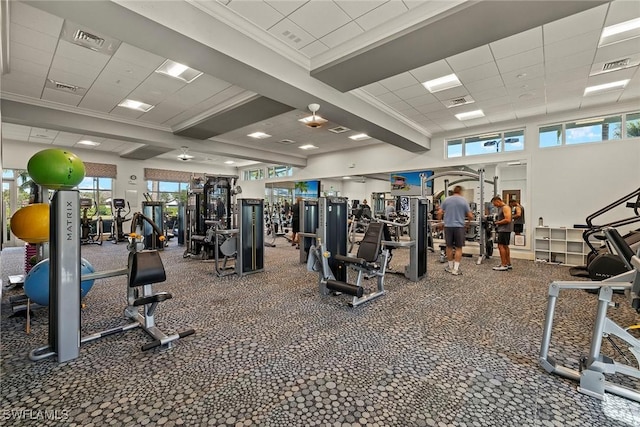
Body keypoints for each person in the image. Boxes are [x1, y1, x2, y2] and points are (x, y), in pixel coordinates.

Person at [437, 185, 473, 275]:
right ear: (460, 192)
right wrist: (467, 224)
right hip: (459, 227)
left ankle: (450, 267)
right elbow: (471, 216)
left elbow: (439, 212)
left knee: (448, 247)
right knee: (458, 248)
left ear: (453, 191)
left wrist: (440, 222)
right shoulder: (463, 200)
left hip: (448, 226)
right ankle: (455, 269)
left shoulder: (446, 200)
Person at [492, 196, 513, 271]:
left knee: (501, 246)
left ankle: (504, 265)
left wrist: (497, 223)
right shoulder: (501, 208)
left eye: (495, 204)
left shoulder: (505, 207)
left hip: (504, 230)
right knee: (505, 246)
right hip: (504, 229)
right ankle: (508, 263)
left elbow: (508, 219)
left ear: (498, 201)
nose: (495, 206)